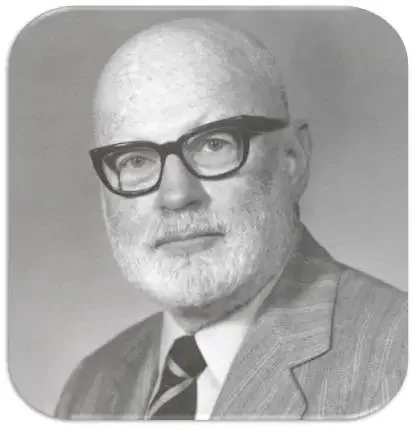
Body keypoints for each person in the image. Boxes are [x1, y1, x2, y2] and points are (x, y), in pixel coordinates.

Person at [54, 18, 407, 420]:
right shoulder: (89, 388)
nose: (176, 195)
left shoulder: (398, 356)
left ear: (291, 158)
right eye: (135, 160)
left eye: (213, 144)